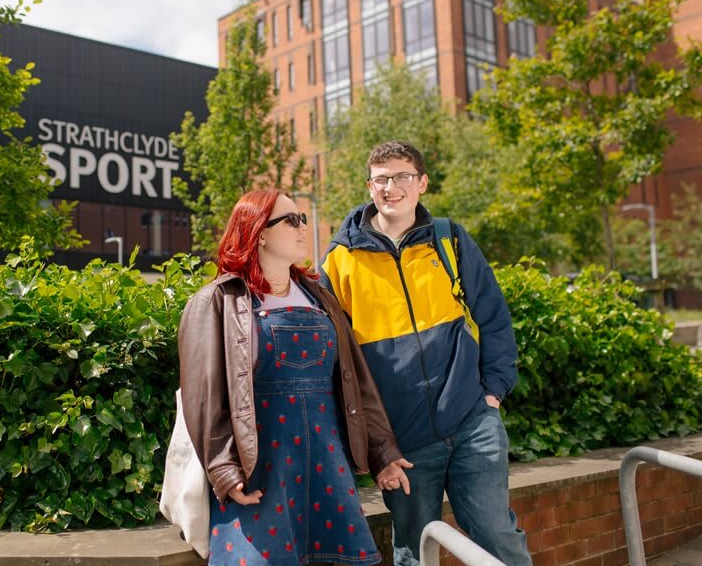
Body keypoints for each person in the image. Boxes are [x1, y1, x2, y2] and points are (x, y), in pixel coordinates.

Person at [320, 140, 532, 566]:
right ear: (369, 186)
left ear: (421, 183)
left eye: (401, 177)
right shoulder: (340, 261)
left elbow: (493, 315)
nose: (390, 187)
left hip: (473, 422)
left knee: (498, 538)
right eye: (381, 179)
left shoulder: (449, 239)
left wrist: (493, 391)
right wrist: (378, 449)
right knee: (414, 552)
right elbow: (337, 366)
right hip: (404, 445)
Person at [178, 188, 413, 566]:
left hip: (328, 464)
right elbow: (205, 398)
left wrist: (383, 453)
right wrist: (223, 470)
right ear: (260, 232)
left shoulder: (320, 298)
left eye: (302, 218)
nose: (303, 227)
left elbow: (356, 384)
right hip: (259, 472)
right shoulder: (216, 301)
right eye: (291, 220)